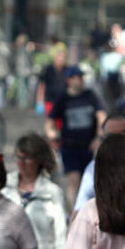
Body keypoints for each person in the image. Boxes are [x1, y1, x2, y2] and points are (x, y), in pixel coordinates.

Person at [47, 65, 104, 199]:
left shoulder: (90, 96)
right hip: (70, 147)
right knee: (74, 183)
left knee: (91, 184)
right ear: (69, 80)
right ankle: (75, 216)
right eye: (76, 77)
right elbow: (50, 122)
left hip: (89, 147)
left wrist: (98, 138)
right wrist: (52, 134)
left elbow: (101, 116)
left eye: (81, 77)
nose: (80, 80)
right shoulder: (63, 99)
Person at [35, 43, 69, 116]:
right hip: (50, 102)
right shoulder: (48, 70)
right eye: (60, 56)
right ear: (55, 57)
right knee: (51, 122)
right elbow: (42, 86)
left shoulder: (67, 70)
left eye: (64, 57)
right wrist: (40, 101)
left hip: (64, 102)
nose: (62, 59)